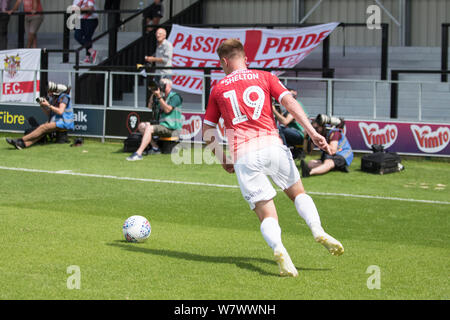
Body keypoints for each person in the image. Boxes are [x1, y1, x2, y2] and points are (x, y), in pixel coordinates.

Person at [202, 39, 344, 278]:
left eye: (221, 64)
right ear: (245, 58)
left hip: (244, 154)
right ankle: (317, 230)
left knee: (267, 215)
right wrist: (313, 132)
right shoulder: (265, 76)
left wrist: (223, 158)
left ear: (224, 61)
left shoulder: (218, 89)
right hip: (272, 145)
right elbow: (289, 102)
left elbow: (207, 131)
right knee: (298, 193)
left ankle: (279, 249)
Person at [6, 82, 74, 149]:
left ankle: (20, 140)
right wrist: (42, 106)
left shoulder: (64, 98)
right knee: (42, 132)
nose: (49, 93)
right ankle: (22, 144)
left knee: (43, 127)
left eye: (50, 91)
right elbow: (49, 114)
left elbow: (60, 111)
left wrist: (48, 105)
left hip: (65, 122)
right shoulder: (54, 99)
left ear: (56, 91)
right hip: (58, 121)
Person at [126, 78, 182, 161]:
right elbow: (149, 106)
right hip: (162, 126)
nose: (160, 86)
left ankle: (138, 153)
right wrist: (153, 93)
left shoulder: (175, 96)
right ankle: (155, 148)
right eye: (160, 84)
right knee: (142, 126)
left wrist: (159, 96)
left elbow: (167, 110)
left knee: (149, 128)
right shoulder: (160, 97)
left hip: (172, 128)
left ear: (169, 85)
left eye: (163, 84)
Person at [272, 88, 307, 159]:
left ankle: (284, 153)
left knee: (279, 129)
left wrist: (273, 110)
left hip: (300, 134)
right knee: (279, 133)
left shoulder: (294, 104)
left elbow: (285, 122)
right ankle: (294, 153)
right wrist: (279, 109)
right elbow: (283, 118)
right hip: (294, 133)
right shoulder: (291, 104)